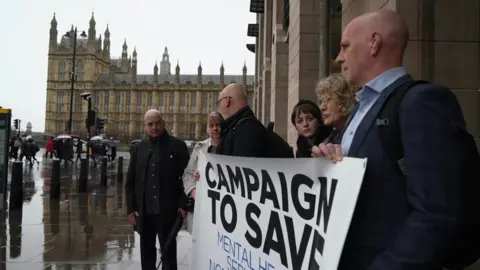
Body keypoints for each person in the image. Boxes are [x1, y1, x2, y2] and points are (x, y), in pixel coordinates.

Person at [313, 10, 468, 269]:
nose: (339, 57)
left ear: (374, 43)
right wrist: (331, 161)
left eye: (345, 46)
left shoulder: (422, 102)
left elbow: (436, 213)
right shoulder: (361, 109)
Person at [125, 109, 189, 270]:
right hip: (144, 212)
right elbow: (131, 181)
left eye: (157, 123)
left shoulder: (178, 146)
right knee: (146, 254)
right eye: (150, 124)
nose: (154, 127)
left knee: (168, 254)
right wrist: (131, 209)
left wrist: (183, 204)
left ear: (163, 123)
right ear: (145, 126)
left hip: (167, 211)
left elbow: (187, 179)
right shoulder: (138, 148)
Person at [182, 112, 222, 233]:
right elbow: (188, 174)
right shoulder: (199, 148)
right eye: (211, 125)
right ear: (207, 128)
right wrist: (193, 191)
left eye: (218, 125)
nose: (215, 128)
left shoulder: (233, 147)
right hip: (201, 205)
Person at [216, 83, 266, 157]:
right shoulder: (239, 127)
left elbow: (243, 166)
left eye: (219, 103)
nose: (218, 108)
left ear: (227, 101)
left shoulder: (247, 129)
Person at [317, 73, 358, 144]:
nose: (321, 107)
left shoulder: (358, 132)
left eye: (327, 100)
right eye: (321, 102)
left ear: (344, 100)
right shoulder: (333, 137)